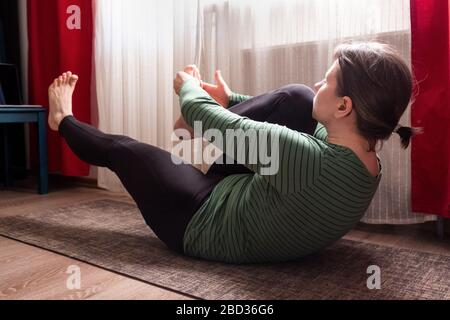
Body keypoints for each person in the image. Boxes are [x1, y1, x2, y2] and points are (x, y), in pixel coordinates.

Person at [48, 42, 421, 264]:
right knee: (298, 98)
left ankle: (62, 119)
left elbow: (221, 125)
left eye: (327, 80)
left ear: (343, 107)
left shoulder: (303, 158)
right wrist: (229, 102)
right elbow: (271, 128)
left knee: (126, 151)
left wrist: (189, 89)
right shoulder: (366, 160)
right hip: (259, 199)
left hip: (198, 221)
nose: (318, 83)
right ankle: (207, 118)